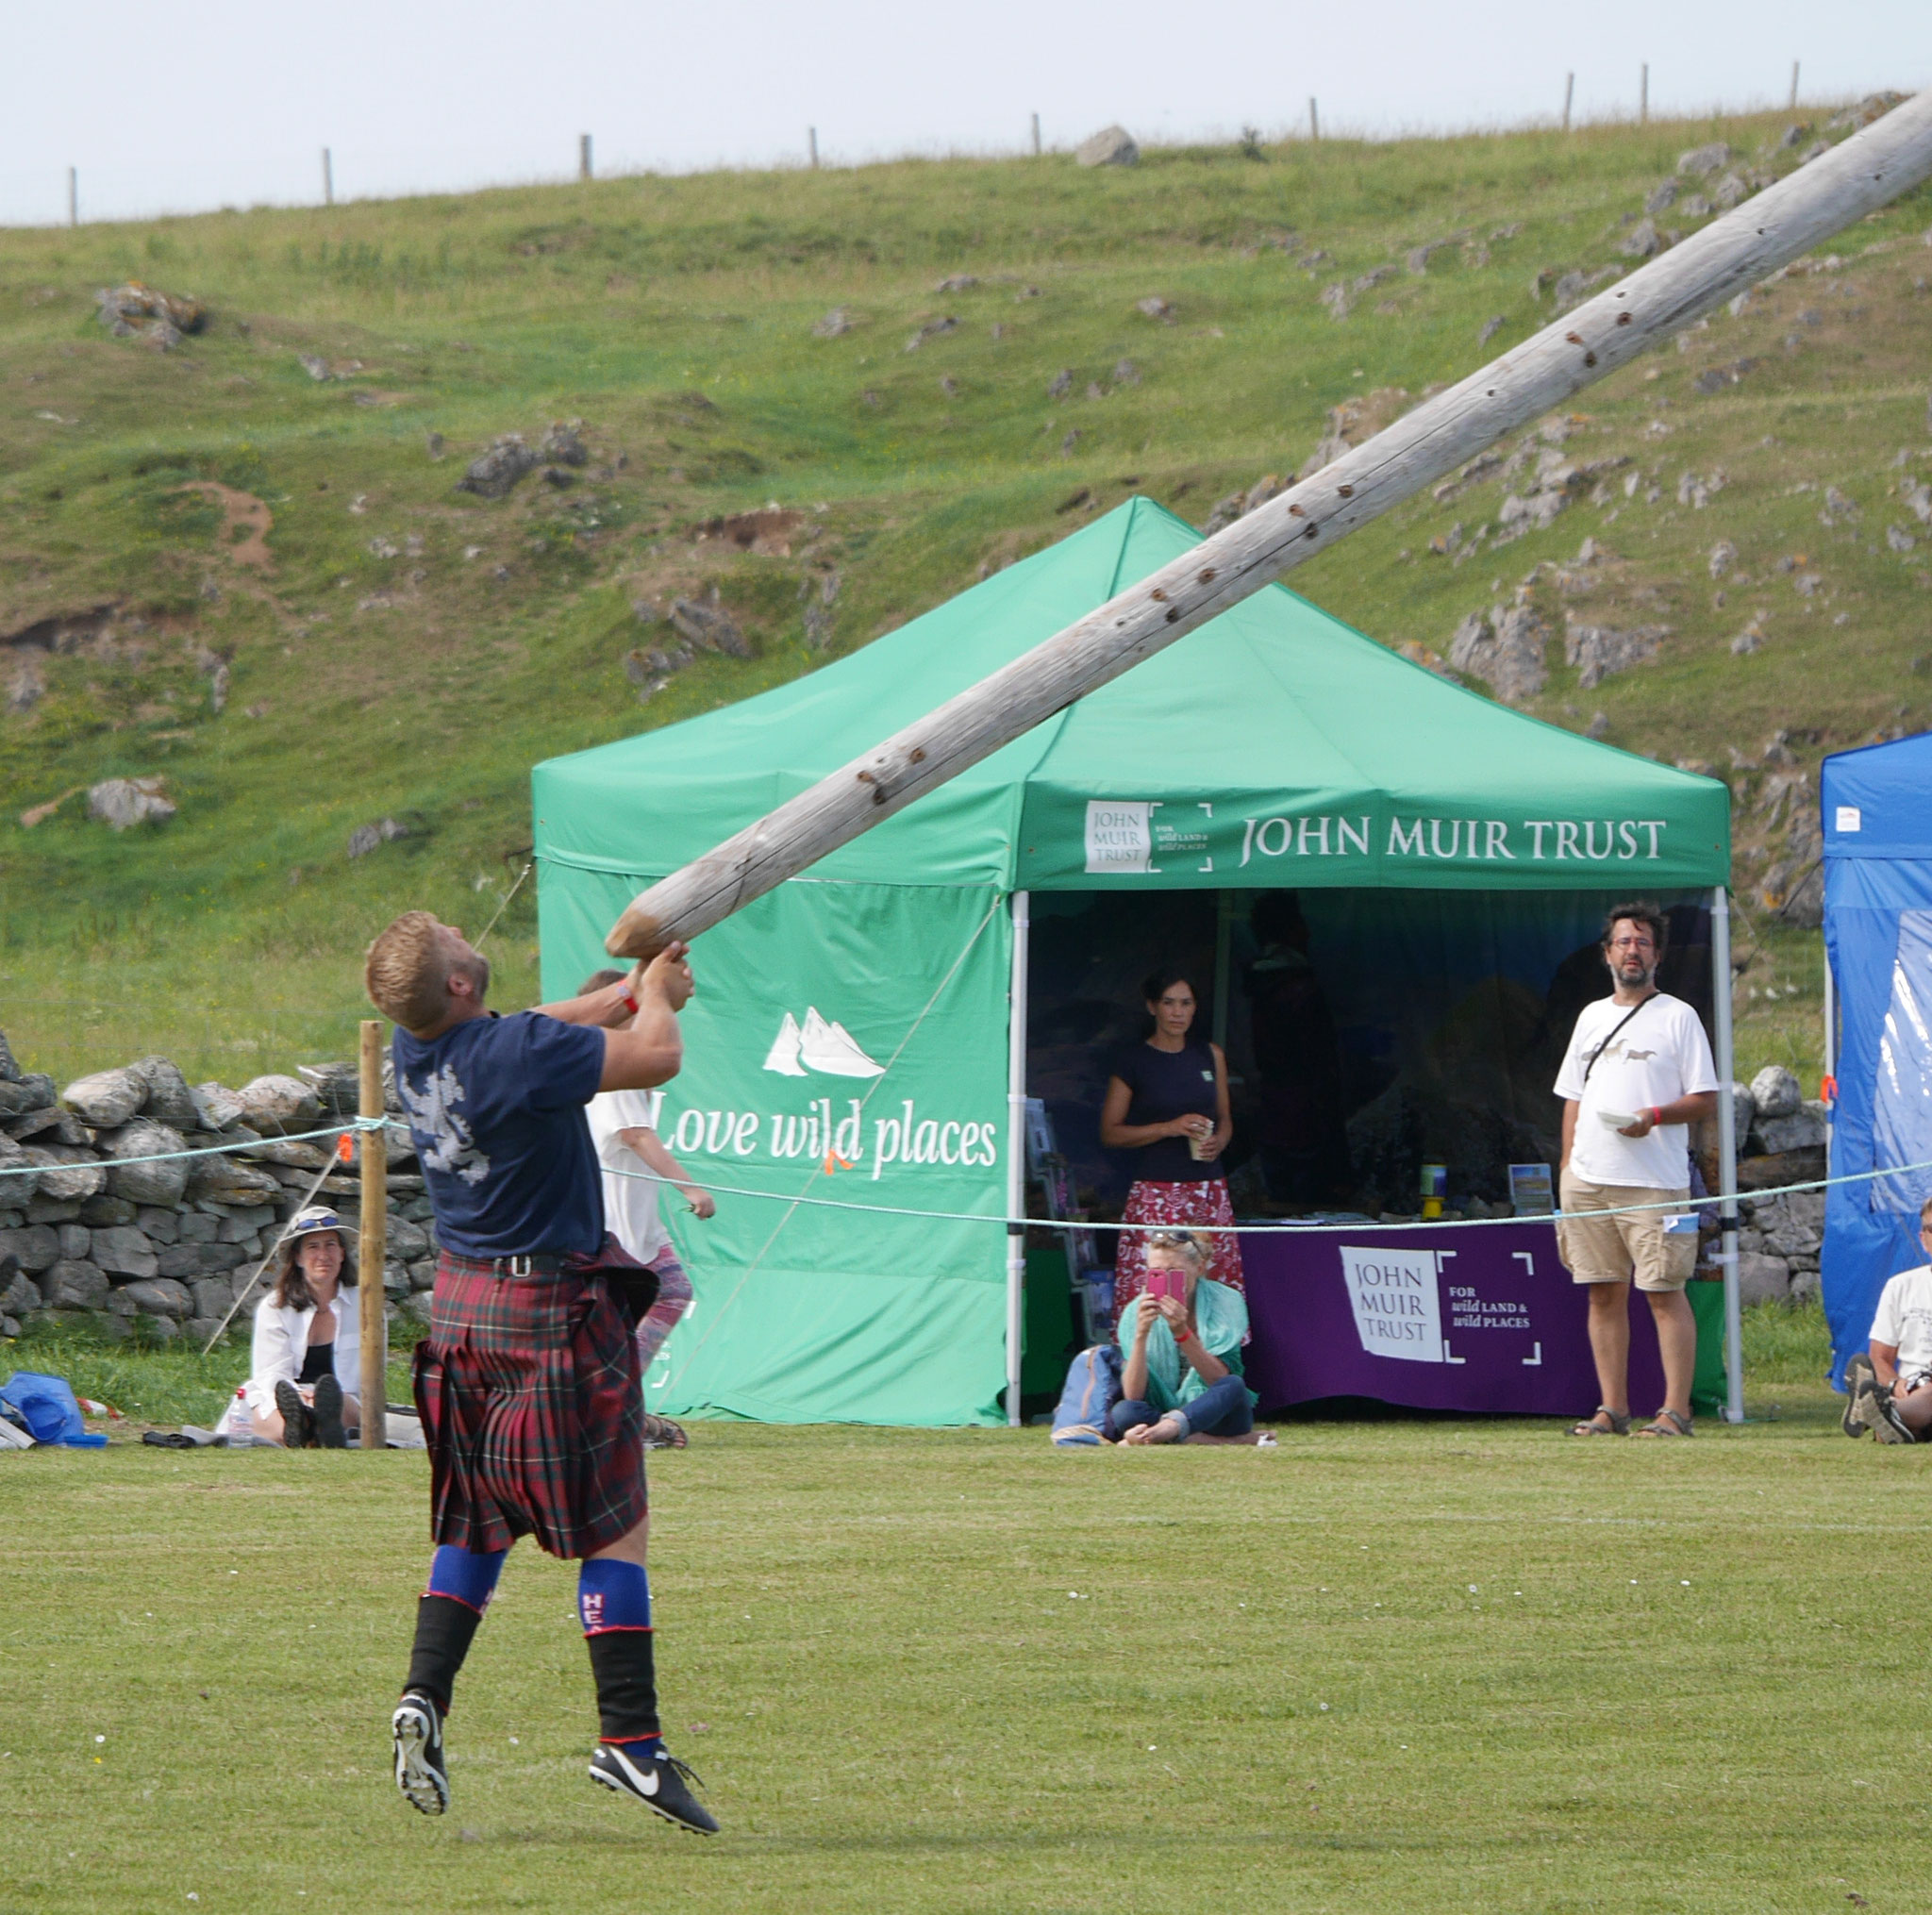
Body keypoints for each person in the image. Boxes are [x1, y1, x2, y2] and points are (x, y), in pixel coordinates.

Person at [364, 910, 718, 1836]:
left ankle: (424, 1693)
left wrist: (615, 993)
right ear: (458, 982)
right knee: (617, 1521)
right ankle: (629, 1742)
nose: (454, 927)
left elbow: (528, 1025)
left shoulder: (418, 1047)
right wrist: (659, 1002)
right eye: (449, 934)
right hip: (550, 1308)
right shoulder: (514, 1051)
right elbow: (652, 1059)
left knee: (481, 1513)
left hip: (464, 1307)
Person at [1554, 901, 1719, 1439]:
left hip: (1655, 1181)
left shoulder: (1679, 1017)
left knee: (1664, 1292)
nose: (1633, 950)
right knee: (1603, 1291)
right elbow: (1573, 1099)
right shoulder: (1590, 1018)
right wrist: (1566, 1168)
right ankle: (1612, 1409)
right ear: (1607, 954)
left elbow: (1703, 1099)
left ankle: (1675, 1412)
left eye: (1643, 942)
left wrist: (1653, 1117)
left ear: (1658, 955)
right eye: (1624, 941)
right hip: (1587, 1179)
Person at [580, 965, 716, 1451]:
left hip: (639, 1230)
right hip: (616, 1236)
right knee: (623, 1320)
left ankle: (617, 1401)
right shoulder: (611, 1072)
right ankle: (613, 1405)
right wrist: (691, 1189)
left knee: (674, 1290)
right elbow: (637, 1136)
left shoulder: (619, 1072)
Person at [1100, 966, 1242, 1329]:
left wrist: (1219, 1142)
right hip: (1157, 1193)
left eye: (1186, 1003)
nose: (1178, 1012)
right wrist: (1168, 1128)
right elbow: (1111, 1133)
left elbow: (1225, 1117)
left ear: (1195, 1008)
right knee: (1158, 1288)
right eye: (1169, 1003)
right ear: (1152, 1007)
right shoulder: (1134, 1060)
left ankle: (1212, 1364)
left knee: (1211, 1284)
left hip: (1209, 1191)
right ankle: (1150, 1369)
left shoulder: (1210, 1055)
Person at [217, 1207, 361, 1448]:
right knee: (270, 1413)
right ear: (298, 1258)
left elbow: (369, 1375)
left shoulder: (365, 1305)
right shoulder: (274, 1307)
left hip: (343, 1398)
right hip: (285, 1397)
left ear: (343, 1253)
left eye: (330, 1245)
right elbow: (270, 1373)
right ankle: (304, 1428)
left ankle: (315, 1427)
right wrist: (299, 1396)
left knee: (339, 1404)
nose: (323, 1255)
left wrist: (322, 1396)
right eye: (313, 1247)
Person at [1243, 891, 1351, 1209]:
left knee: (1281, 1204)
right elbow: (1318, 1063)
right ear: (1290, 930)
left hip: (1273, 1111)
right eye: (1301, 925)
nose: (1309, 933)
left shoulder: (1258, 986)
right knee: (1312, 1211)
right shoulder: (1299, 990)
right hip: (1307, 1117)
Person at [1111, 1229, 1266, 1445]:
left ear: (1199, 1268)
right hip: (1163, 1407)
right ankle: (1210, 1440)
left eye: (1174, 1272)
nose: (1165, 1281)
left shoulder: (1226, 1301)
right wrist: (1141, 1334)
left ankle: (1169, 1430)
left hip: (1215, 1413)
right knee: (1125, 1411)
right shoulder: (1135, 1310)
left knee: (1232, 1384)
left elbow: (1217, 1379)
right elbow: (1133, 1395)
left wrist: (1182, 1332)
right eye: (1157, 1273)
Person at [1842, 1196, 1932, 1443]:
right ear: (1923, 1238)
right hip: (1911, 1387)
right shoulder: (1900, 1286)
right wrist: (1895, 1384)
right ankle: (1890, 1414)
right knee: (1905, 1422)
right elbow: (1880, 1357)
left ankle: (1882, 1414)